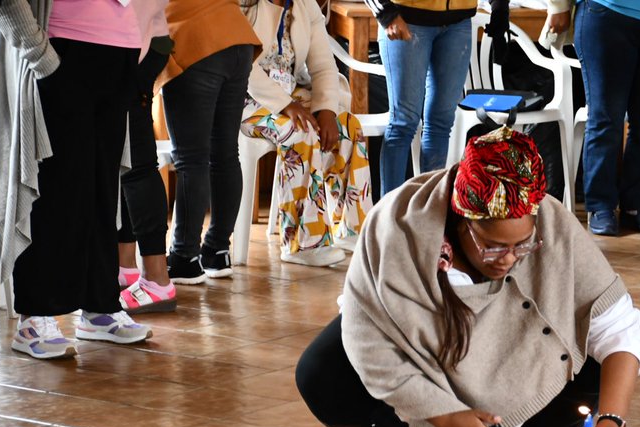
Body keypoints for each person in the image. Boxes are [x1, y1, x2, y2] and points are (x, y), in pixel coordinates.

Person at [296, 128, 640, 427]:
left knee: (597, 356)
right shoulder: (397, 225)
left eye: (523, 245)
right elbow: (368, 342)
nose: (508, 260)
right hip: (425, 352)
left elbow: (617, 327)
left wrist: (613, 419)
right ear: (461, 220)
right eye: (493, 245)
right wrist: (443, 414)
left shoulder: (551, 221)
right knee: (321, 371)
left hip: (519, 346)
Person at [0, 0, 153, 360]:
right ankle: (37, 315)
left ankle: (99, 306)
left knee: (101, 191)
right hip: (61, 48)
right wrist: (40, 55)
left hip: (118, 51)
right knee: (57, 190)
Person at [240, 0, 373, 267]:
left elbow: (323, 64)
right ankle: (301, 242)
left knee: (348, 126)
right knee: (299, 131)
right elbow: (242, 66)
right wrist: (286, 106)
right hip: (244, 99)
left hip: (290, 93)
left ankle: (351, 228)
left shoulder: (304, 4)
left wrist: (326, 110)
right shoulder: (244, 4)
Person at [548, 0, 640, 236]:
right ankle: (600, 206)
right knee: (606, 118)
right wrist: (558, 6)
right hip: (607, 12)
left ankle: (637, 206)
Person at [160, 0, 259, 285]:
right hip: (236, 37)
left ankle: (184, 257)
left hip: (195, 40)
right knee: (226, 153)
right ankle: (217, 251)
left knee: (191, 159)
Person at [363, 0, 475, 198]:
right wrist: (386, 13)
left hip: (459, 21)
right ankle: (389, 217)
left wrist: (500, 7)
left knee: (441, 122)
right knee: (403, 123)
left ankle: (429, 210)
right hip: (406, 17)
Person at [118, 0, 176, 313]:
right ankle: (125, 267)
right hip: (144, 37)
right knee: (125, 165)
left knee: (137, 166)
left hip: (132, 43)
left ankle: (157, 278)